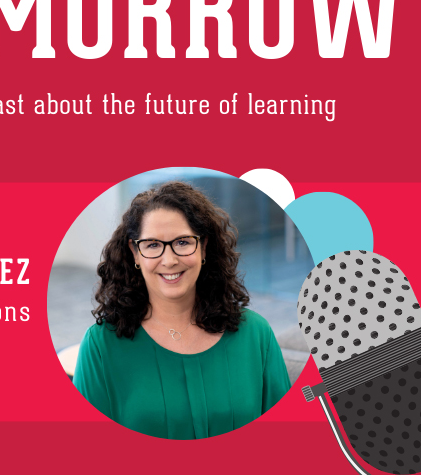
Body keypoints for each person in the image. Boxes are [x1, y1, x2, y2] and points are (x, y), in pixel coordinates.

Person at [71, 182, 291, 439]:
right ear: (135, 253)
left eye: (183, 242)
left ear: (203, 246)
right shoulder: (101, 346)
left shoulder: (255, 335)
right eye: (153, 245)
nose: (169, 259)